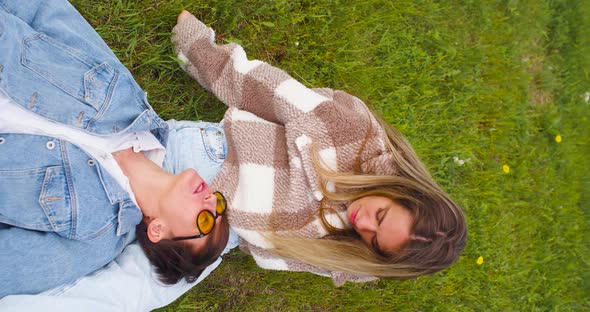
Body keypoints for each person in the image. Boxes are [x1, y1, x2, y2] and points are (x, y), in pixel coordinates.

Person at [172, 11, 467, 286]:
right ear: (401, 189)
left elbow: (284, 253)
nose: (362, 223)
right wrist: (197, 48)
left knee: (149, 285)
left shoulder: (356, 258)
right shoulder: (350, 135)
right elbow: (269, 90)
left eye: (375, 240)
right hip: (216, 162)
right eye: (379, 215)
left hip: (217, 232)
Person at [0, 1, 229, 297]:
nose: (211, 200)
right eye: (220, 205)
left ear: (158, 231)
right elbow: (49, 15)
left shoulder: (94, 239)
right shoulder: (131, 109)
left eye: (206, 220)